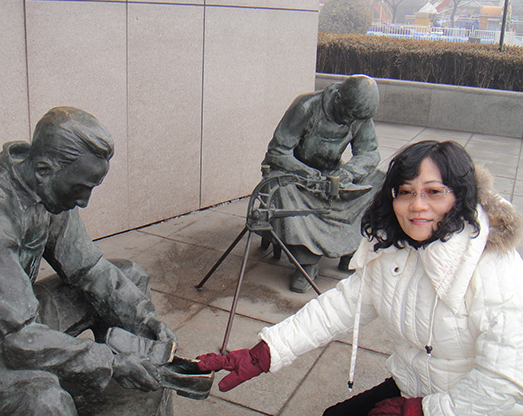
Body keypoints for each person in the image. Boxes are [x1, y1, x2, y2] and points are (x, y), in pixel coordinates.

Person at [197, 140, 523, 415]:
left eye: (434, 192)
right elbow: (341, 306)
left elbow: (506, 378)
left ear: (460, 196)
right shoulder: (395, 249)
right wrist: (265, 353)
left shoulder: (493, 266)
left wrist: (420, 410)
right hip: (413, 385)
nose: (417, 206)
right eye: (406, 192)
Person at [0, 107, 209, 415]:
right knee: (43, 402)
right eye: (80, 188)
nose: (84, 201)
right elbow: (16, 340)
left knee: (129, 276)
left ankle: (127, 378)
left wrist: (146, 322)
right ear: (43, 170)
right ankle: (104, 373)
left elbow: (90, 269)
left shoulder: (45, 185)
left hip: (16, 319)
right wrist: (109, 362)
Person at [261, 74, 385, 293]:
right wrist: (308, 173)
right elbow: (277, 152)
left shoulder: (358, 115)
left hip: (332, 174)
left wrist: (348, 172)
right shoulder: (306, 107)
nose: (350, 122)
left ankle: (351, 249)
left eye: (354, 119)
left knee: (379, 182)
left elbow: (369, 153)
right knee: (282, 191)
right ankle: (307, 261)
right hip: (297, 174)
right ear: (337, 98)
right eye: (347, 115)